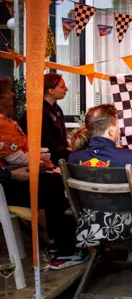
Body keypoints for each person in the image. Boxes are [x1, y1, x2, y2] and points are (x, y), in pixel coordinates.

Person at [0, 78, 85, 270]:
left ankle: (64, 244)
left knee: (58, 182)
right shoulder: (21, 118)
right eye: (8, 92)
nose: (13, 94)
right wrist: (41, 161)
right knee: (58, 185)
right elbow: (16, 157)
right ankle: (63, 249)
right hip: (7, 184)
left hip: (14, 176)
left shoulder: (53, 111)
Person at [68, 104, 132, 211]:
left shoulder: (73, 158)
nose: (119, 130)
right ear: (111, 130)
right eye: (117, 125)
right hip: (128, 225)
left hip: (90, 223)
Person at [20, 73, 71, 163]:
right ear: (51, 91)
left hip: (60, 156)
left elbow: (60, 139)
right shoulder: (37, 111)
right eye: (62, 87)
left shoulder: (57, 109)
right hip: (45, 161)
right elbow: (45, 144)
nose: (67, 89)